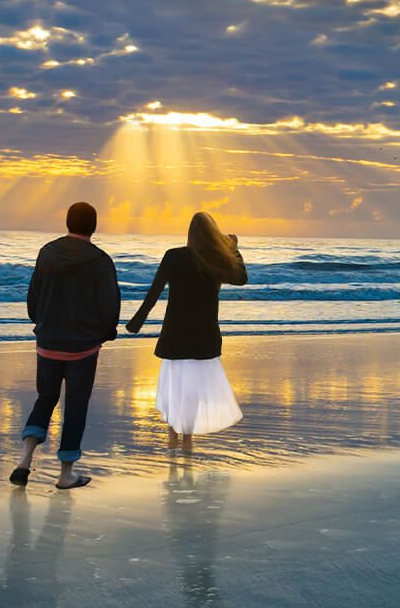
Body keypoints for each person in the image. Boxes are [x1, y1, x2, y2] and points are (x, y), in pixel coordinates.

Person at [14, 201, 119, 490]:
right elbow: (110, 303)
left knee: (45, 398)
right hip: (83, 347)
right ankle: (65, 474)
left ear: (67, 223)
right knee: (75, 406)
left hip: (47, 342)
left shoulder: (46, 253)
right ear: (93, 227)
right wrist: (106, 332)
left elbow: (34, 295)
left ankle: (24, 459)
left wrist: (41, 323)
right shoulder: (100, 260)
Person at [126, 212, 248, 449]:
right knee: (191, 389)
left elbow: (154, 293)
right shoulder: (215, 259)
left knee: (175, 385)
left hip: (176, 332)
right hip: (204, 333)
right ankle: (187, 439)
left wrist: (136, 322)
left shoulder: (174, 256)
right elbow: (241, 278)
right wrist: (233, 249)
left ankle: (173, 435)